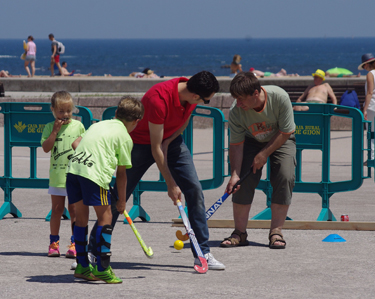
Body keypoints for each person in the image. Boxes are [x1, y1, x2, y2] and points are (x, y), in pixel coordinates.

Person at [89, 71, 225, 271]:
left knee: (194, 189)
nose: (206, 102)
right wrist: (171, 184)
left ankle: (202, 252)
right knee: (119, 196)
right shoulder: (158, 99)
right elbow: (155, 148)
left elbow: (184, 121)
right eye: (206, 100)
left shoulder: (192, 93)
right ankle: (93, 252)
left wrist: (170, 140)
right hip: (141, 143)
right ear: (196, 96)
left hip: (171, 141)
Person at [67, 96, 144, 283]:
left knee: (81, 218)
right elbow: (122, 173)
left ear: (116, 113)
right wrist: (122, 200)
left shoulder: (98, 125)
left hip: (74, 170)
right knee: (106, 217)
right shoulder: (125, 138)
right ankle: (102, 267)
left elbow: (76, 143)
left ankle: (82, 266)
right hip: (95, 175)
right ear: (136, 122)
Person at [220, 72, 296, 249]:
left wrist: (264, 154)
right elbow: (237, 145)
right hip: (250, 141)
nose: (237, 104)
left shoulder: (279, 97)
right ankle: (240, 233)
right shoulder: (236, 111)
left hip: (281, 138)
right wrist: (234, 175)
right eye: (235, 99)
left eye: (241, 99)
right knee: (242, 182)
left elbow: (285, 131)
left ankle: (276, 231)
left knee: (285, 176)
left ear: (256, 93)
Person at [41, 91, 86, 258]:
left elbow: (84, 147)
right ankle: (54, 243)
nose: (65, 115)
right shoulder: (48, 127)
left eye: (68, 111)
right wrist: (54, 131)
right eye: (61, 111)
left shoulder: (79, 126)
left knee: (74, 210)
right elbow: (46, 148)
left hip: (75, 174)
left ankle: (75, 243)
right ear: (53, 110)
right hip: (57, 176)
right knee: (57, 209)